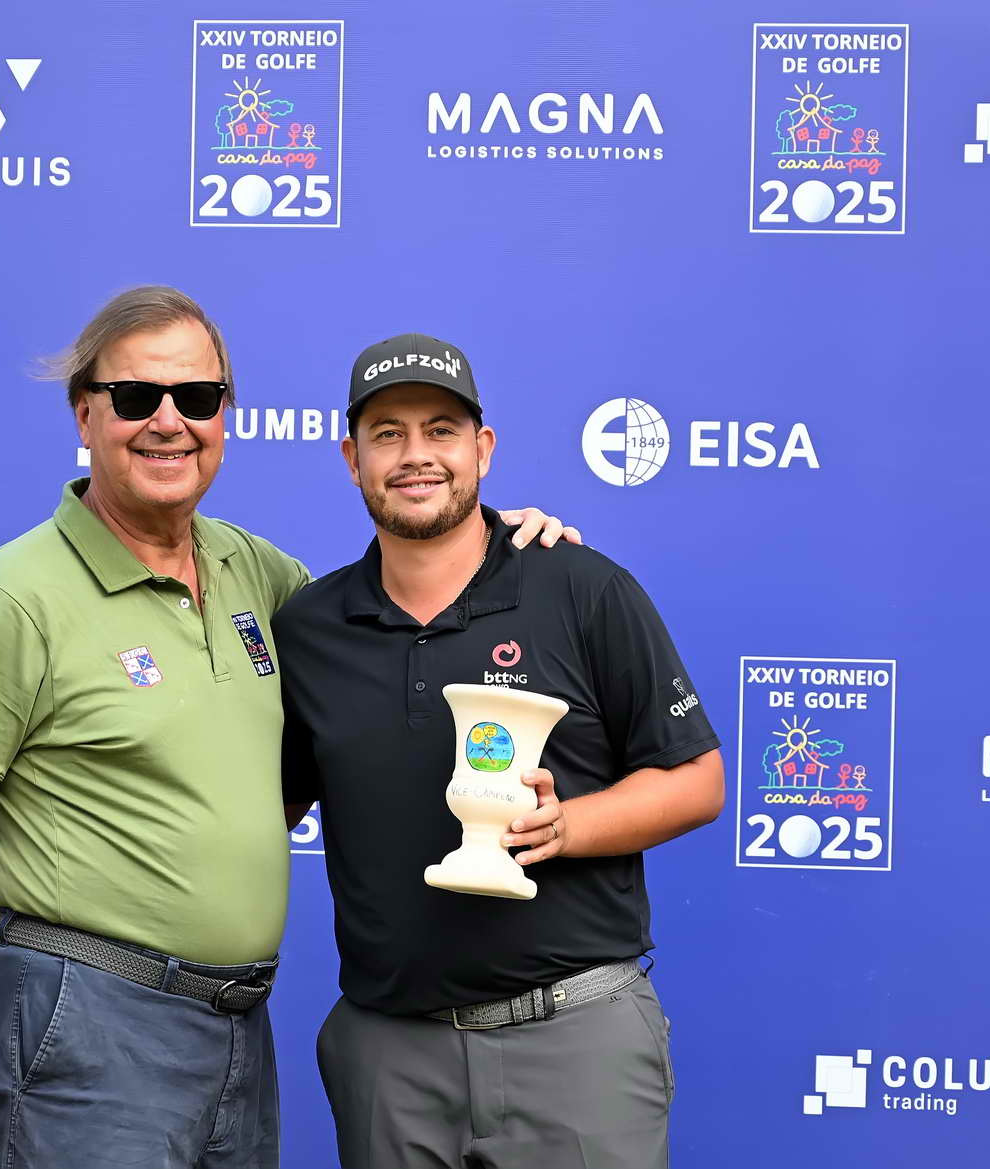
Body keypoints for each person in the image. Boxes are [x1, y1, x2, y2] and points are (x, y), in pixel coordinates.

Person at [0, 288, 573, 1169]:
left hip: (236, 1032)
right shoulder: (15, 596)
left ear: (224, 416)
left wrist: (495, 539)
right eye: (137, 396)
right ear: (85, 414)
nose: (169, 421)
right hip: (82, 1023)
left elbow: (394, 617)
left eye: (197, 397)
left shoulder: (257, 572)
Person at [275, 333, 725, 1169]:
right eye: (387, 433)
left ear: (482, 449)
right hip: (389, 1053)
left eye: (441, 430)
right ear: (351, 458)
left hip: (574, 1036)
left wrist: (568, 825)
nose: (416, 455)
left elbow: (697, 778)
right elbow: (272, 804)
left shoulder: (581, 586)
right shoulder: (308, 628)